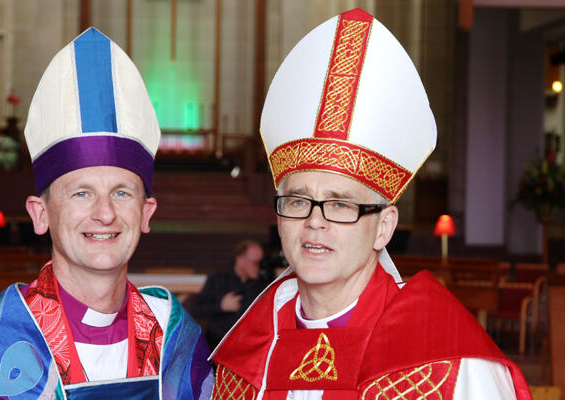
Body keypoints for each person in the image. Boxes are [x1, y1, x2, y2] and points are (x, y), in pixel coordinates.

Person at [209, 8, 532, 399]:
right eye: (298, 201)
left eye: (341, 205)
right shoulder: (248, 349)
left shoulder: (450, 364)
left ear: (385, 226)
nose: (315, 222)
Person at [0, 28, 213, 400]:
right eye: (82, 193)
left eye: (121, 193)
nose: (105, 213)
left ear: (146, 213)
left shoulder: (179, 340)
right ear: (40, 213)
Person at [191, 240, 268, 350]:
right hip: (218, 345)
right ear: (240, 260)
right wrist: (220, 306)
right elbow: (195, 309)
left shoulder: (262, 284)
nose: (259, 267)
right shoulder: (218, 279)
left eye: (261, 263)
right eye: (255, 263)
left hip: (248, 347)